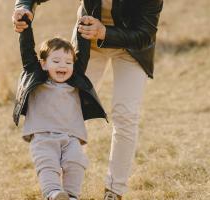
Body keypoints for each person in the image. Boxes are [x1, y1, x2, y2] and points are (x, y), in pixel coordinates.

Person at [12, 1, 163, 199]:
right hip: (87, 43)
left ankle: (114, 191)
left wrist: (104, 32)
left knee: (125, 114)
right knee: (65, 103)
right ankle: (57, 187)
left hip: (131, 47)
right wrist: (23, 6)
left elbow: (145, 34)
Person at [13, 16, 107, 200]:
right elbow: (26, 50)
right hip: (42, 135)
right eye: (56, 61)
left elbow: (83, 51)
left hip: (71, 136)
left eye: (68, 62)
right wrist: (25, 25)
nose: (63, 65)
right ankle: (53, 193)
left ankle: (71, 196)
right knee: (47, 164)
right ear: (43, 64)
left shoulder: (75, 79)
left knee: (76, 162)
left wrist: (85, 25)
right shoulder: (37, 78)